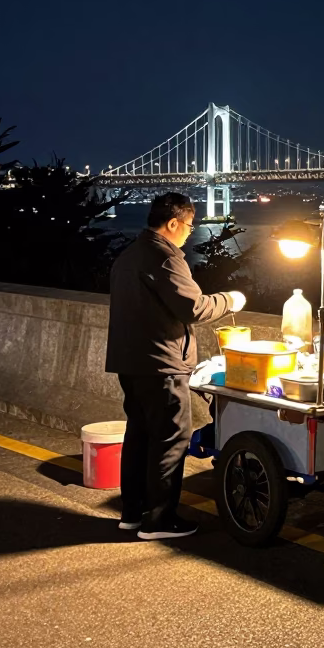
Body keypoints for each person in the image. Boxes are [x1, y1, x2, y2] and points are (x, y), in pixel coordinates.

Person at [105, 192, 245, 540]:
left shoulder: (128, 255)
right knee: (171, 440)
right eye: (188, 226)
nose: (189, 233)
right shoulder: (165, 258)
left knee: (139, 436)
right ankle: (159, 521)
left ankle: (132, 514)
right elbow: (193, 308)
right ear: (172, 223)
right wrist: (231, 299)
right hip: (161, 363)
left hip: (130, 361)